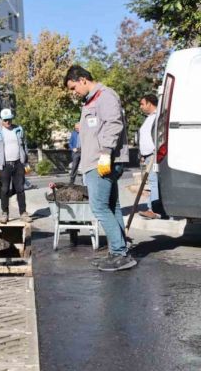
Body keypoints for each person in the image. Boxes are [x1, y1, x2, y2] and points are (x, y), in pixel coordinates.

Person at [64, 65, 135, 272]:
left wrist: (105, 152)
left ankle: (120, 252)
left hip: (102, 162)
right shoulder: (91, 101)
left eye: (73, 87)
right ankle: (117, 252)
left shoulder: (105, 96)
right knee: (112, 207)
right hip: (98, 161)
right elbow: (97, 127)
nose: (74, 92)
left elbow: (114, 124)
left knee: (99, 207)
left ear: (83, 80)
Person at [0, 108, 32, 224]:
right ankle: (5, 213)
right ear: (1, 120)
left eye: (9, 119)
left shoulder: (18, 130)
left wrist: (26, 162)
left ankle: (23, 213)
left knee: (20, 189)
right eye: (5, 120)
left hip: (18, 163)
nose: (8, 122)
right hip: (4, 165)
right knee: (4, 190)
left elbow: (24, 146)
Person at [137, 94, 165, 219]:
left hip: (154, 155)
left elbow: (159, 135)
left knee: (154, 182)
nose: (141, 107)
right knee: (153, 182)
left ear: (149, 103)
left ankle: (155, 210)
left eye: (142, 104)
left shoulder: (158, 116)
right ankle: (154, 208)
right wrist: (142, 154)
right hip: (148, 155)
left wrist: (155, 152)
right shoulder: (149, 117)